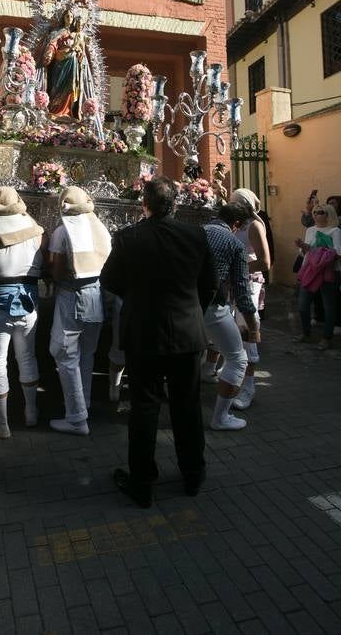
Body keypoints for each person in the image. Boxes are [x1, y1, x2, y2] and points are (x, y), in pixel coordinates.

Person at [100, 176, 217, 507]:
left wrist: (137, 299)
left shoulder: (128, 238)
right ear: (175, 203)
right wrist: (193, 312)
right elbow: (209, 283)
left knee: (144, 409)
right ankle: (193, 475)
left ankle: (142, 483)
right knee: (187, 407)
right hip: (187, 333)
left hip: (145, 334)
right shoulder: (196, 235)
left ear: (144, 204)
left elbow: (109, 279)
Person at [0, 187, 46, 438]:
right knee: (27, 357)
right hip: (29, 302)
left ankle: (2, 423)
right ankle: (32, 413)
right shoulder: (36, 231)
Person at [48, 186, 111, 435]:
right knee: (87, 354)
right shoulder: (101, 228)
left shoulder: (63, 232)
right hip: (96, 295)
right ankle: (82, 405)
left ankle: (76, 418)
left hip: (71, 296)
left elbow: (56, 268)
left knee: (65, 354)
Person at [203, 203, 259, 431]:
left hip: (182, 305)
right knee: (238, 359)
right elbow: (242, 293)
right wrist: (253, 327)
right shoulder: (235, 243)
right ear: (236, 224)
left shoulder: (197, 232)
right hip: (212, 306)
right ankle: (220, 417)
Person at [229, 188, 271, 411]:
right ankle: (235, 379)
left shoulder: (254, 225)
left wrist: (238, 268)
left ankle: (249, 388)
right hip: (234, 283)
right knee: (233, 332)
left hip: (249, 284)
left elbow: (265, 262)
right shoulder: (236, 224)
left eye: (235, 203)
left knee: (247, 332)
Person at [294, 202, 341, 350]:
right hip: (310, 270)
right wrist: (303, 247)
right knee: (302, 304)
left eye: (319, 212)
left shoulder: (335, 231)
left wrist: (319, 250)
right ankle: (306, 333)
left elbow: (338, 252)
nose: (315, 215)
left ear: (328, 214)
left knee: (329, 305)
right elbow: (306, 253)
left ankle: (327, 337)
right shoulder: (310, 230)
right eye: (314, 212)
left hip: (329, 270)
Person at [43, 9, 94, 119]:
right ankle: (55, 110)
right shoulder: (58, 31)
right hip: (59, 62)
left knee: (71, 86)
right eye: (67, 16)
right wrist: (50, 52)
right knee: (57, 86)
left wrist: (79, 52)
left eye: (71, 17)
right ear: (63, 18)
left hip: (72, 63)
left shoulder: (76, 34)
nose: (69, 19)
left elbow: (82, 49)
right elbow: (53, 43)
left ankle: (68, 112)